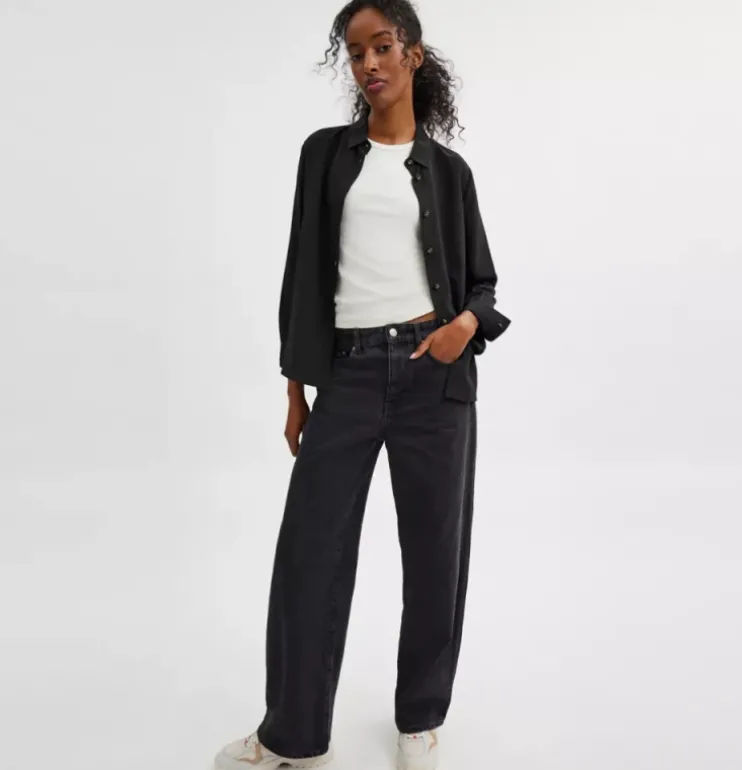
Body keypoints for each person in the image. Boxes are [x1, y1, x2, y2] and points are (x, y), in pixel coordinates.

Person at [214, 1, 510, 768]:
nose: (368, 63)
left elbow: (483, 286)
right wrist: (295, 387)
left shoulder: (449, 173)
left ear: (414, 54)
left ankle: (419, 719)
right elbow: (301, 272)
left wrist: (462, 327)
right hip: (345, 374)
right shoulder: (324, 155)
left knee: (435, 554)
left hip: (434, 376)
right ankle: (293, 736)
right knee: (309, 554)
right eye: (355, 53)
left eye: (382, 46)